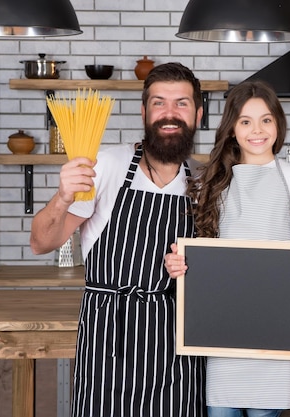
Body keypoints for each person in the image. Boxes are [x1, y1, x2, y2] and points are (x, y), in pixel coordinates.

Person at [30, 62, 207, 417]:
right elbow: (41, 242)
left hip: (175, 343)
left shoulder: (202, 182)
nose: (169, 113)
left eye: (181, 103)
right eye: (159, 103)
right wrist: (63, 197)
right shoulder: (107, 166)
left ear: (198, 114)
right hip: (108, 339)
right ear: (144, 112)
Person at [165, 80, 290, 417]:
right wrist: (180, 263)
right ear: (231, 128)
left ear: (278, 124)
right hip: (223, 324)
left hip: (278, 324)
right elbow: (202, 250)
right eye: (245, 121)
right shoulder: (210, 180)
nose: (257, 130)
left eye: (266, 120)